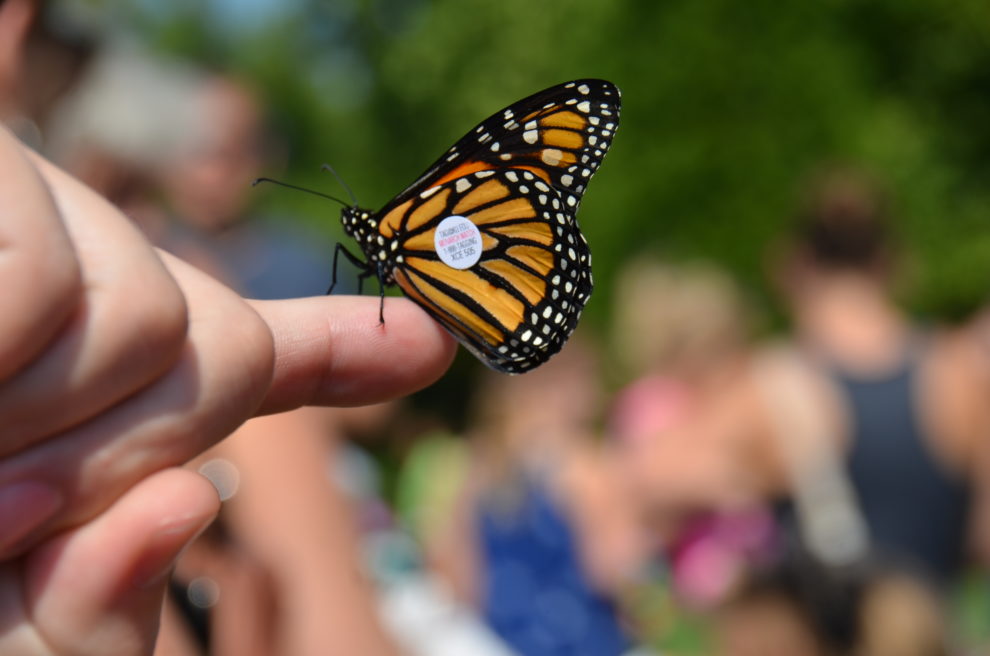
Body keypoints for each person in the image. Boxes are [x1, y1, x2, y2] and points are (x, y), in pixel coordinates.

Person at [0, 121, 455, 656]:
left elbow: (380, 410)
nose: (145, 223)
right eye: (117, 201)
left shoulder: (286, 273)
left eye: (147, 202)